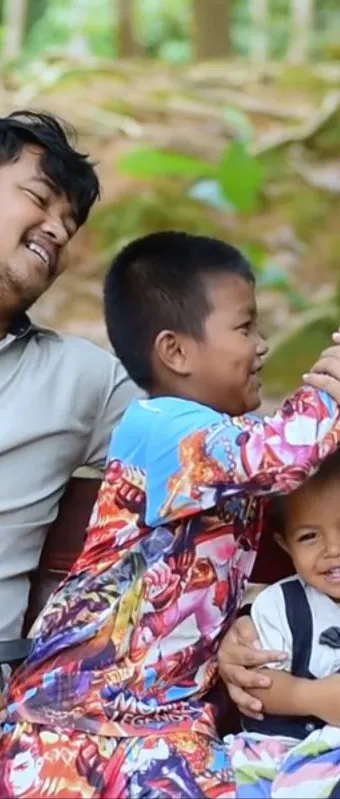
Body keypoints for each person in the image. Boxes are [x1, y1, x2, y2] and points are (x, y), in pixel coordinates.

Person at [2, 230, 340, 799]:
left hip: (169, 722)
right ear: (176, 352)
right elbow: (280, 454)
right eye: (245, 328)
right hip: (73, 717)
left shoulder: (226, 450)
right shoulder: (160, 431)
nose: (262, 345)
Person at [0, 110, 137, 646]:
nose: (57, 229)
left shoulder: (83, 379)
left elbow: (214, 448)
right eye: (39, 199)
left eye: (69, 222)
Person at [225, 436, 340, 798]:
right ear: (285, 546)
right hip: (275, 751)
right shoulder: (281, 603)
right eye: (309, 537)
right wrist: (310, 697)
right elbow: (257, 683)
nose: (334, 550)